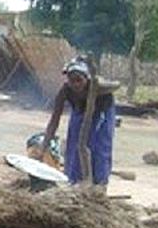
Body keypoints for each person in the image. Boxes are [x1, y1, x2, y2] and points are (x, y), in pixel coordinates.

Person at [39, 58, 116, 187]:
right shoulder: (65, 91)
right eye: (72, 80)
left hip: (101, 113)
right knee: (75, 144)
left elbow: (116, 85)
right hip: (80, 111)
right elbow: (54, 120)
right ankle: (74, 179)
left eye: (79, 80)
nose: (75, 84)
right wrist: (43, 146)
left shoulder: (99, 89)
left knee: (98, 146)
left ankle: (99, 183)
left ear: (86, 79)